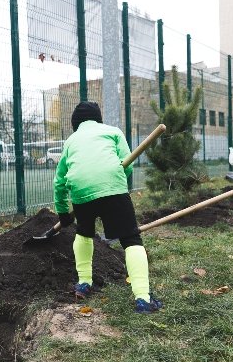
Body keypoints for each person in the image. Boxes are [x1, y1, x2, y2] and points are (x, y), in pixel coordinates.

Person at [53, 101, 162, 313]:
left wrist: (63, 212)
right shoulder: (112, 132)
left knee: (83, 233)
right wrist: (116, 179)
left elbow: (59, 182)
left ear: (75, 123)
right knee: (130, 239)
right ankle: (143, 298)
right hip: (113, 187)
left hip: (80, 192)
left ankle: (84, 283)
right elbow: (127, 164)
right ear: (98, 118)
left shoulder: (71, 141)